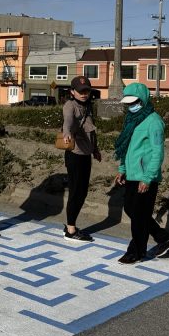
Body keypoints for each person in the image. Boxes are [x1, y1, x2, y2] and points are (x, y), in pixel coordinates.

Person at [113, 82, 169, 264]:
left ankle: (136, 252)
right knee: (131, 210)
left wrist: (148, 178)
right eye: (128, 103)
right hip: (132, 174)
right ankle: (164, 238)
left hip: (145, 176)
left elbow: (158, 153)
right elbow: (127, 148)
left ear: (142, 100)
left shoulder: (154, 121)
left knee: (139, 216)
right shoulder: (131, 120)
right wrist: (122, 169)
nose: (131, 106)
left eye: (134, 102)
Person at [61, 75, 101, 241]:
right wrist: (67, 133)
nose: (84, 94)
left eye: (87, 91)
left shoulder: (88, 106)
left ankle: (71, 225)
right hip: (75, 154)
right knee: (76, 191)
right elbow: (68, 121)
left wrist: (95, 149)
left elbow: (91, 130)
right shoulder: (70, 105)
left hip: (86, 154)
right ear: (72, 92)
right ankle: (70, 230)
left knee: (82, 192)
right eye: (80, 91)